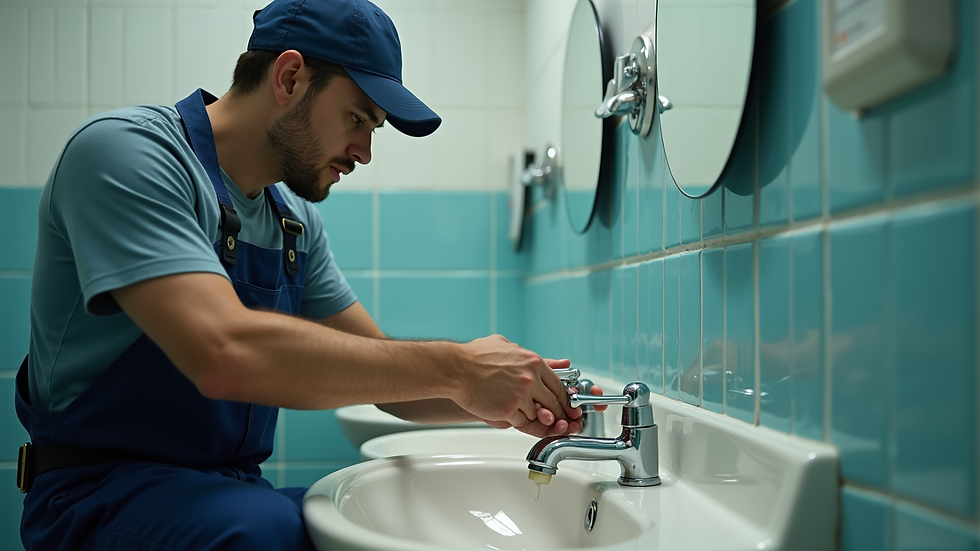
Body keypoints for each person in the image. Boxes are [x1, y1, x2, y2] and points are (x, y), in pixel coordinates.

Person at [14, 0, 602, 549]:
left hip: (224, 493)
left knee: (352, 520)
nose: (365, 151)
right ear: (289, 78)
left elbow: (382, 370)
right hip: (97, 494)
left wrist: (506, 398)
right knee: (277, 533)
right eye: (358, 118)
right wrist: (459, 366)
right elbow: (224, 352)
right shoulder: (128, 155)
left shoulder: (291, 221)